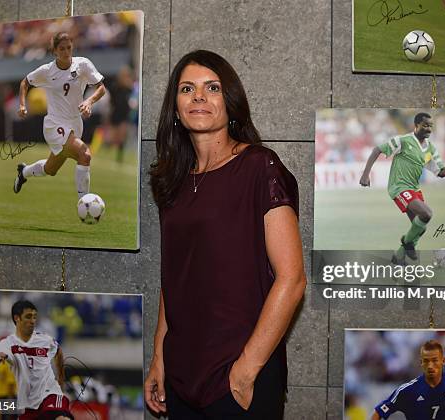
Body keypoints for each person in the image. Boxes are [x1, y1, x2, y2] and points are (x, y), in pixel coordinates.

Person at [145, 50, 306, 419]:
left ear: (229, 102)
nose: (198, 97)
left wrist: (246, 371)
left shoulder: (259, 168)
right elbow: (175, 278)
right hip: (181, 376)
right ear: (175, 107)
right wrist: (159, 357)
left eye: (211, 88)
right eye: (187, 89)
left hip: (237, 380)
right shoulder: (172, 182)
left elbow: (292, 279)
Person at [360, 112, 445, 264]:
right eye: (425, 125)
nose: (428, 129)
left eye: (430, 126)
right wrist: (365, 174)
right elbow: (377, 150)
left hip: (414, 188)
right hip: (399, 187)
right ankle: (408, 244)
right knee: (426, 213)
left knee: (420, 226)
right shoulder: (403, 141)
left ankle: (399, 256)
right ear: (416, 125)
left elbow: (440, 172)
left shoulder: (430, 149)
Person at [14, 32, 105, 199]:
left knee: (50, 169)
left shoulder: (83, 65)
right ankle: (83, 202)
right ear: (54, 50)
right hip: (55, 124)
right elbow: (25, 83)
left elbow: (101, 88)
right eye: (61, 49)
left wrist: (89, 102)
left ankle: (24, 172)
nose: (66, 52)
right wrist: (22, 104)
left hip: (75, 123)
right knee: (84, 155)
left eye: (69, 48)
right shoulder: (48, 71)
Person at [0, 300, 73, 420]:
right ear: (17, 318)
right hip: (29, 404)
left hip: (49, 394)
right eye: (28, 317)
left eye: (34, 317)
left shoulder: (45, 339)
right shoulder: (8, 344)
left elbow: (58, 352)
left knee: (60, 418)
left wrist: (61, 380)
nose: (33, 321)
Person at [371, 340, 445, 420]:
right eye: (426, 361)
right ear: (421, 363)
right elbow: (378, 412)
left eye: (435, 360)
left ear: (443, 360)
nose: (430, 365)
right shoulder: (407, 390)